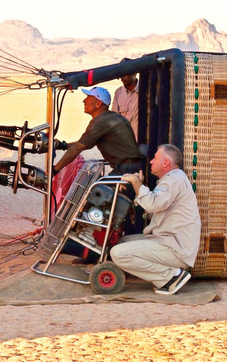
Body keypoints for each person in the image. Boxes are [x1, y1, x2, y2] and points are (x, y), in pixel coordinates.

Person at [110, 144, 201, 295]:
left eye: (155, 158)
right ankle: (162, 274)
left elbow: (152, 204)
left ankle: (171, 277)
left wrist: (135, 182)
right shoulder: (171, 180)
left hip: (175, 248)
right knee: (122, 242)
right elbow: (155, 206)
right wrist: (137, 187)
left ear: (166, 162)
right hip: (169, 241)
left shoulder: (174, 181)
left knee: (119, 253)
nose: (151, 161)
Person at [53, 86, 144, 234]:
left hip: (126, 170)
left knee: (96, 200)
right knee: (116, 210)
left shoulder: (100, 122)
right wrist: (62, 145)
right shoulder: (109, 118)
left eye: (88, 98)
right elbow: (84, 143)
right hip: (127, 167)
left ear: (98, 103)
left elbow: (77, 149)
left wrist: (55, 169)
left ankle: (94, 242)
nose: (84, 100)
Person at [112, 61, 139, 138]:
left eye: (125, 74)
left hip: (145, 142)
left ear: (134, 73)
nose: (122, 78)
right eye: (121, 74)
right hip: (126, 141)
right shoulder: (119, 93)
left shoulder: (147, 89)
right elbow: (115, 119)